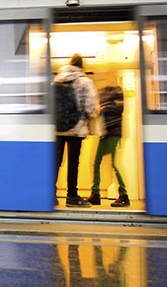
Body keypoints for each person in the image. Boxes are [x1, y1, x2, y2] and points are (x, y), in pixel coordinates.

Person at [53, 54, 98, 208]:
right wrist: (90, 117)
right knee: (73, 163)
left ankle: (51, 194)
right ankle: (72, 196)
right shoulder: (85, 81)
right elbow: (91, 107)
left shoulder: (57, 79)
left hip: (57, 128)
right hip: (76, 128)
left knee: (56, 162)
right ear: (82, 65)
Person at [87, 86, 130, 207]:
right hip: (105, 134)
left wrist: (104, 108)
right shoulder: (105, 93)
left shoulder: (117, 92)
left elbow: (119, 108)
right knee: (96, 163)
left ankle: (124, 195)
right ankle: (95, 194)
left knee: (114, 164)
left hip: (114, 133)